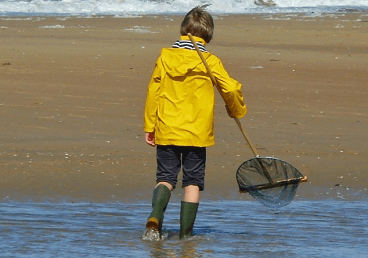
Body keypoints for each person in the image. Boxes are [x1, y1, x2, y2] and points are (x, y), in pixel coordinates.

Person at [143, 4, 247, 239]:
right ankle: (185, 235)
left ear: (183, 31)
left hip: (168, 127)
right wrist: (236, 109)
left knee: (165, 178)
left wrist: (150, 126)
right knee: (192, 182)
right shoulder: (210, 60)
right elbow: (229, 88)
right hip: (197, 132)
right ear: (208, 35)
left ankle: (156, 214)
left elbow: (153, 93)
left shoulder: (165, 57)